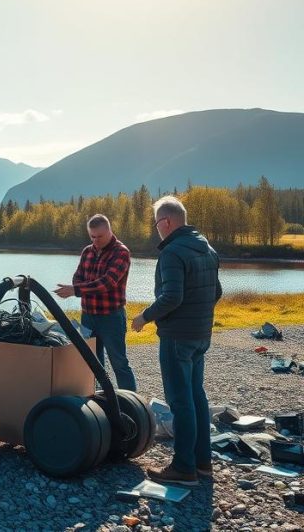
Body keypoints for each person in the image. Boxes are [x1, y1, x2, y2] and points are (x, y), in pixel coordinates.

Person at [132, 196, 221, 486]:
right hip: (200, 335)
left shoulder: (172, 252)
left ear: (167, 222)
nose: (156, 228)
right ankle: (202, 462)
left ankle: (183, 468)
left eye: (157, 223)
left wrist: (144, 317)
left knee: (180, 402)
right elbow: (216, 292)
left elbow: (172, 297)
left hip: (176, 337)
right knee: (196, 396)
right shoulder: (207, 248)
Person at [54, 214, 137, 392]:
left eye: (99, 236)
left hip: (111, 317)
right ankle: (101, 398)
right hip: (88, 316)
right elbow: (78, 276)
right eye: (92, 236)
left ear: (109, 231)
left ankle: (132, 403)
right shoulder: (87, 251)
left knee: (119, 362)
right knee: (92, 362)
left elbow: (107, 283)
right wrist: (77, 286)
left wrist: (76, 290)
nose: (95, 240)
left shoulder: (121, 252)